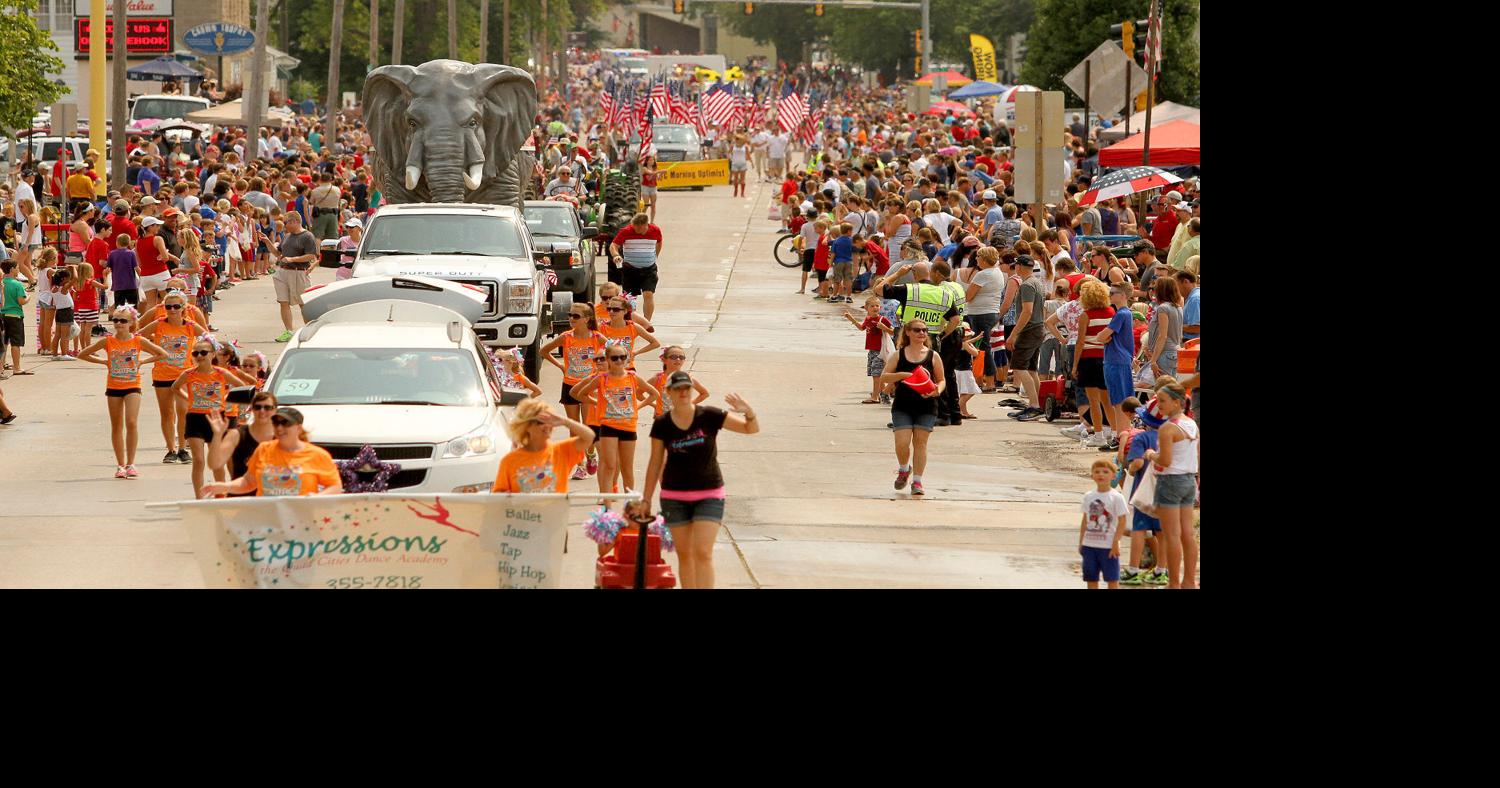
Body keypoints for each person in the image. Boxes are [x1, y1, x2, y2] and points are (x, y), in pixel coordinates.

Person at [632, 375, 760, 589]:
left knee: (702, 552)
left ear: (692, 391)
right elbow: (655, 464)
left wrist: (749, 411)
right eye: (678, 389)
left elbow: (750, 428)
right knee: (685, 554)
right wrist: (646, 499)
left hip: (709, 493)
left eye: (687, 388)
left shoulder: (709, 415)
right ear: (669, 393)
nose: (683, 392)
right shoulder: (662, 424)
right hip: (674, 497)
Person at [569, 345, 660, 495]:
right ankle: (606, 498)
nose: (619, 360)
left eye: (622, 357)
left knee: (626, 467)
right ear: (609, 360)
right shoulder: (600, 378)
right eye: (615, 358)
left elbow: (654, 393)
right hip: (606, 425)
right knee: (609, 464)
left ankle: (628, 499)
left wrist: (639, 406)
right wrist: (596, 403)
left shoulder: (632, 377)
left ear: (627, 359)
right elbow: (578, 393)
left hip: (628, 426)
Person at [173, 337, 255, 498]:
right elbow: (175, 388)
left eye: (203, 352)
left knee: (217, 460)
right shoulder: (188, 374)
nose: (199, 356)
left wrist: (225, 399)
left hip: (216, 419)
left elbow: (242, 386)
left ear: (212, 354)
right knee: (198, 460)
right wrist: (189, 400)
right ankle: (199, 497)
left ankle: (220, 495)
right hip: (195, 418)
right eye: (195, 352)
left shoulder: (221, 373)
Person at [201, 408, 343, 497]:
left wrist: (317, 498)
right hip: (266, 522)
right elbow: (248, 482)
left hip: (301, 523)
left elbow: (335, 486)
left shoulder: (317, 455)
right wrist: (223, 486)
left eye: (285, 423)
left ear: (298, 428)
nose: (280, 428)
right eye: (276, 423)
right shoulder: (264, 449)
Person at [878, 318, 945, 496]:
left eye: (924, 330)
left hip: (927, 405)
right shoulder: (899, 355)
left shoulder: (933, 356)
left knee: (920, 443)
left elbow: (942, 380)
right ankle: (904, 469)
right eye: (917, 330)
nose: (922, 333)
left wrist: (937, 390)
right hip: (903, 404)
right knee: (902, 443)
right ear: (907, 332)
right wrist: (901, 375)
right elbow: (884, 377)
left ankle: (917, 482)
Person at [1143, 381, 1199, 589]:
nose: (1159, 406)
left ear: (1177, 402)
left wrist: (1150, 454)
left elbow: (1164, 460)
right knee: (1187, 534)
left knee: (1171, 534)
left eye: (1163, 401)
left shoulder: (1168, 428)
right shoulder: (1191, 424)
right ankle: (1188, 581)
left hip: (1170, 480)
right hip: (1188, 480)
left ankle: (1173, 582)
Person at [138, 291, 205, 464]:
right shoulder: (159, 324)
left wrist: (199, 358)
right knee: (167, 413)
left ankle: (183, 448)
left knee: (183, 410)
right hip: (162, 374)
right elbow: (137, 338)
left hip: (184, 374)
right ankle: (171, 449)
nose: (172, 310)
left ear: (184, 308)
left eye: (176, 306)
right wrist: (155, 352)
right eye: (168, 307)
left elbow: (209, 340)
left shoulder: (190, 325)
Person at [491, 396, 595, 493]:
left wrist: (565, 421)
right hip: (525, 512)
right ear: (526, 426)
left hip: (554, 512)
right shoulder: (509, 461)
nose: (546, 426)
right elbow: (499, 496)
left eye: (549, 420)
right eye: (540, 422)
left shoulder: (561, 451)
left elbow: (589, 437)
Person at [1120, 397, 1170, 586]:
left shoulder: (1142, 438)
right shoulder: (1169, 438)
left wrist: (1131, 468)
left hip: (1144, 493)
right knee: (1161, 532)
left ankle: (1133, 569)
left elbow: (1137, 464)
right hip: (1165, 491)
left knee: (1139, 531)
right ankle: (1161, 570)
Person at [1079, 458, 1128, 589]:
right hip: (1089, 545)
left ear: (1113, 476)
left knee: (1112, 579)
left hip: (1108, 546)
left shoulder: (1117, 497)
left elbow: (1122, 521)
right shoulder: (1088, 496)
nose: (1101, 474)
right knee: (1091, 578)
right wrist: (1081, 543)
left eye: (1105, 472)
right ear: (1092, 475)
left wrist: (1116, 542)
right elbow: (1085, 520)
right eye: (1097, 471)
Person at [271, 211, 319, 342]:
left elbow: (311, 255)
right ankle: (288, 331)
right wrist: (267, 242)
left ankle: (310, 330)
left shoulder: (307, 236)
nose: (285, 225)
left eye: (287, 223)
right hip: (283, 272)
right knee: (283, 302)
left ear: (295, 221)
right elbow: (278, 253)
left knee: (303, 303)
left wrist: (292, 259)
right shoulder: (287, 236)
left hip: (299, 272)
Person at [609, 213, 663, 320]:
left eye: (638, 227)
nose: (636, 230)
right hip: (630, 270)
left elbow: (659, 242)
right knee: (630, 298)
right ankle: (631, 321)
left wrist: (655, 255)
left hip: (649, 269)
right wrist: (616, 255)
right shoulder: (626, 231)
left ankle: (646, 322)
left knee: (648, 294)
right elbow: (613, 245)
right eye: (634, 227)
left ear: (645, 225)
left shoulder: (655, 230)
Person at [845, 296, 895, 404]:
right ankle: (883, 393)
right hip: (871, 351)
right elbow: (861, 328)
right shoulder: (868, 319)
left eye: (877, 305)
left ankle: (875, 397)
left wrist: (884, 328)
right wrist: (851, 319)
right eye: (872, 306)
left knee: (876, 374)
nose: (875, 308)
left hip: (880, 351)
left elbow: (894, 332)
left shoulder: (882, 319)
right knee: (876, 373)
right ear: (866, 308)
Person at [646, 345, 709, 417]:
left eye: (681, 357)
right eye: (673, 357)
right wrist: (655, 406)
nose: (678, 359)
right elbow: (638, 393)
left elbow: (705, 394)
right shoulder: (657, 378)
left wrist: (688, 405)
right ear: (664, 360)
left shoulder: (687, 378)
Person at [1143, 277, 1183, 381]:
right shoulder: (1178, 307)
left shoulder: (1163, 308)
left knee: (1162, 389)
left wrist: (1153, 360)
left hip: (1164, 353)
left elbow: (1162, 335)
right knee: (1170, 388)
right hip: (1174, 351)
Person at [1, 260, 28, 376]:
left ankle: (2, 365)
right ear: (12, 269)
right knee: (15, 343)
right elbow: (21, 301)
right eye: (17, 268)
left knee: (3, 343)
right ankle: (17, 367)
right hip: (15, 315)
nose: (18, 270)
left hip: (2, 315)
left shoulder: (2, 283)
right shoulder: (17, 284)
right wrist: (28, 298)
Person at [640, 156, 659, 223]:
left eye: (653, 160)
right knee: (646, 205)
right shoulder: (644, 168)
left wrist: (661, 173)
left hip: (653, 187)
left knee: (653, 205)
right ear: (647, 161)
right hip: (646, 187)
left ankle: (652, 222)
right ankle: (642, 220)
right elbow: (650, 175)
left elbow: (658, 177)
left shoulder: (655, 168)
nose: (652, 161)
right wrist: (659, 171)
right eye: (650, 160)